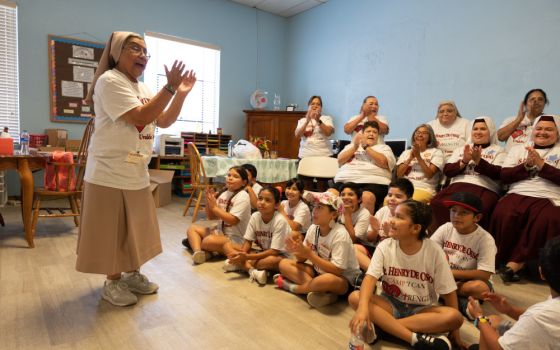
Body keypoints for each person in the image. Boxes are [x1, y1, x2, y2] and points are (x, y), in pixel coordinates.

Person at [75, 32, 196, 307]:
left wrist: (179, 94)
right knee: (111, 232)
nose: (143, 55)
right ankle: (113, 281)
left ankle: (132, 274)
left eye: (145, 51)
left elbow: (162, 120)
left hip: (136, 172)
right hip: (108, 172)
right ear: (118, 52)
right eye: (135, 49)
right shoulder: (109, 81)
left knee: (135, 230)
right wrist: (169, 88)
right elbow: (140, 116)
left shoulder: (142, 88)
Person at [348, 200, 464, 350]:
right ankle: (413, 338)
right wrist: (363, 308)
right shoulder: (385, 246)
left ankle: (383, 329)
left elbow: (449, 292)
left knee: (454, 317)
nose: (391, 221)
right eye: (393, 216)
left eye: (399, 217)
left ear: (415, 228)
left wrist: (455, 332)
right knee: (355, 297)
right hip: (390, 304)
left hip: (421, 310)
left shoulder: (434, 251)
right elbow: (370, 279)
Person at [490, 115, 560, 283]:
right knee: (503, 213)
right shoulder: (518, 149)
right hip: (518, 192)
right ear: (533, 130)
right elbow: (504, 176)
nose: (542, 132)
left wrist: (542, 166)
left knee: (547, 220)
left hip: (550, 195)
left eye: (549, 129)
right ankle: (501, 260)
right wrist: (526, 165)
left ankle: (518, 264)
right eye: (539, 128)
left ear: (557, 133)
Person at [467, 236, 560, 350]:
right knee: (493, 320)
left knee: (486, 323)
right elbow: (545, 321)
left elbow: (499, 348)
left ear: (541, 273)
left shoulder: (539, 316)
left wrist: (479, 317)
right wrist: (509, 310)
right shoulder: (546, 312)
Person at [275, 191, 361, 308]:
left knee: (327, 280)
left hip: (343, 280)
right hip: (319, 272)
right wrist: (297, 250)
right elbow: (301, 259)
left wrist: (309, 254)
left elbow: (337, 270)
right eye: (314, 206)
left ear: (334, 214)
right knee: (284, 263)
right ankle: (321, 293)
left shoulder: (340, 234)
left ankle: (295, 288)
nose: (314, 210)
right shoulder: (313, 228)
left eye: (320, 207)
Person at [430, 117, 506, 231]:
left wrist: (479, 161)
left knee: (481, 209)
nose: (478, 132)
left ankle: (471, 244)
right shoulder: (461, 149)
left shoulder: (499, 150)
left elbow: (499, 174)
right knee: (436, 203)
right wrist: (464, 161)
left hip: (485, 188)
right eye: (475, 129)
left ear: (490, 132)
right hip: (458, 185)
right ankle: (444, 237)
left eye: (483, 129)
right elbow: (448, 171)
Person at [431, 192, 497, 320]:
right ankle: (464, 305)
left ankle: (441, 294)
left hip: (467, 280)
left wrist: (449, 273)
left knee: (480, 289)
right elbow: (428, 251)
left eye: (463, 213)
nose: (456, 216)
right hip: (445, 277)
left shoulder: (485, 239)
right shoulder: (446, 228)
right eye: (453, 211)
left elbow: (484, 274)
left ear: (477, 218)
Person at [221, 186, 291, 285]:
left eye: (267, 200)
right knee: (227, 246)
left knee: (270, 261)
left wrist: (246, 257)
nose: (262, 202)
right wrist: (242, 254)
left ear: (276, 205)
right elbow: (248, 241)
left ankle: (240, 265)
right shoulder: (255, 216)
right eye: (260, 198)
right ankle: (253, 271)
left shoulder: (280, 221)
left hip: (280, 256)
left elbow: (274, 251)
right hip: (263, 252)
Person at [183, 166, 251, 264]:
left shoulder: (243, 196)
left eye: (236, 176)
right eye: (229, 175)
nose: (230, 178)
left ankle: (208, 250)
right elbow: (212, 217)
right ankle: (199, 253)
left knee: (207, 240)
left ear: (244, 182)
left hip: (236, 239)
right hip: (220, 233)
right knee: (192, 228)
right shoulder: (224, 194)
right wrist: (209, 202)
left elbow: (233, 220)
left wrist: (215, 207)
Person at [333, 121, 396, 214]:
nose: (371, 134)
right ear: (362, 134)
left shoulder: (384, 148)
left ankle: (364, 227)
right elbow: (340, 160)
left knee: (366, 197)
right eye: (368, 131)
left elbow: (384, 162)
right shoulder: (351, 146)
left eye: (375, 132)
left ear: (378, 136)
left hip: (373, 182)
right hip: (346, 180)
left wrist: (366, 147)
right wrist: (355, 147)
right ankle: (334, 226)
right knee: (330, 194)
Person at [356, 178, 414, 270]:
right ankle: (379, 274)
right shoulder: (383, 211)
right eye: (389, 195)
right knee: (353, 248)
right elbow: (370, 240)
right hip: (379, 251)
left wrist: (389, 234)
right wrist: (375, 230)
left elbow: (408, 247)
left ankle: (376, 274)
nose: (392, 199)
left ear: (409, 199)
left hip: (398, 255)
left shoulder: (411, 216)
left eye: (398, 196)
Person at [294, 95, 335, 191]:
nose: (315, 106)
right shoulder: (302, 120)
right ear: (308, 106)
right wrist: (307, 120)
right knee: (306, 187)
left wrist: (318, 120)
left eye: (318, 104)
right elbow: (297, 135)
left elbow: (328, 132)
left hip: (324, 156)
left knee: (322, 186)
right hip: (306, 156)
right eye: (312, 104)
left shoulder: (326, 118)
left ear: (321, 108)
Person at [396, 124, 444, 203]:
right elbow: (399, 175)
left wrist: (418, 157)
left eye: (424, 133)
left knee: (408, 203)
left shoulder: (436, 152)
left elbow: (429, 175)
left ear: (430, 137)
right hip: (405, 187)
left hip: (424, 188)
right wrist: (410, 158)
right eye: (417, 132)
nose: (420, 135)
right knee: (388, 201)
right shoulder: (406, 152)